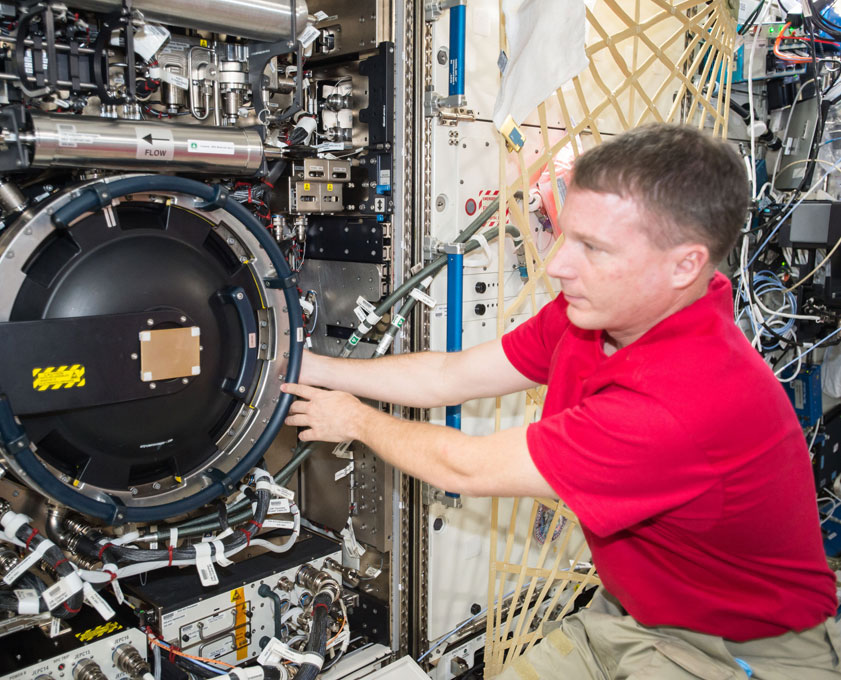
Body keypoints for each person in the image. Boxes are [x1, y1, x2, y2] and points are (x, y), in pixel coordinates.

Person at [281, 124, 841, 679]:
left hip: (738, 651)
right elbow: (451, 375)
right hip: (630, 614)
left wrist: (353, 419)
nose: (556, 266)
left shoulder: (681, 402)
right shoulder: (598, 316)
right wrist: (317, 369)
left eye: (593, 248)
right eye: (567, 234)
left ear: (685, 265)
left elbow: (465, 466)